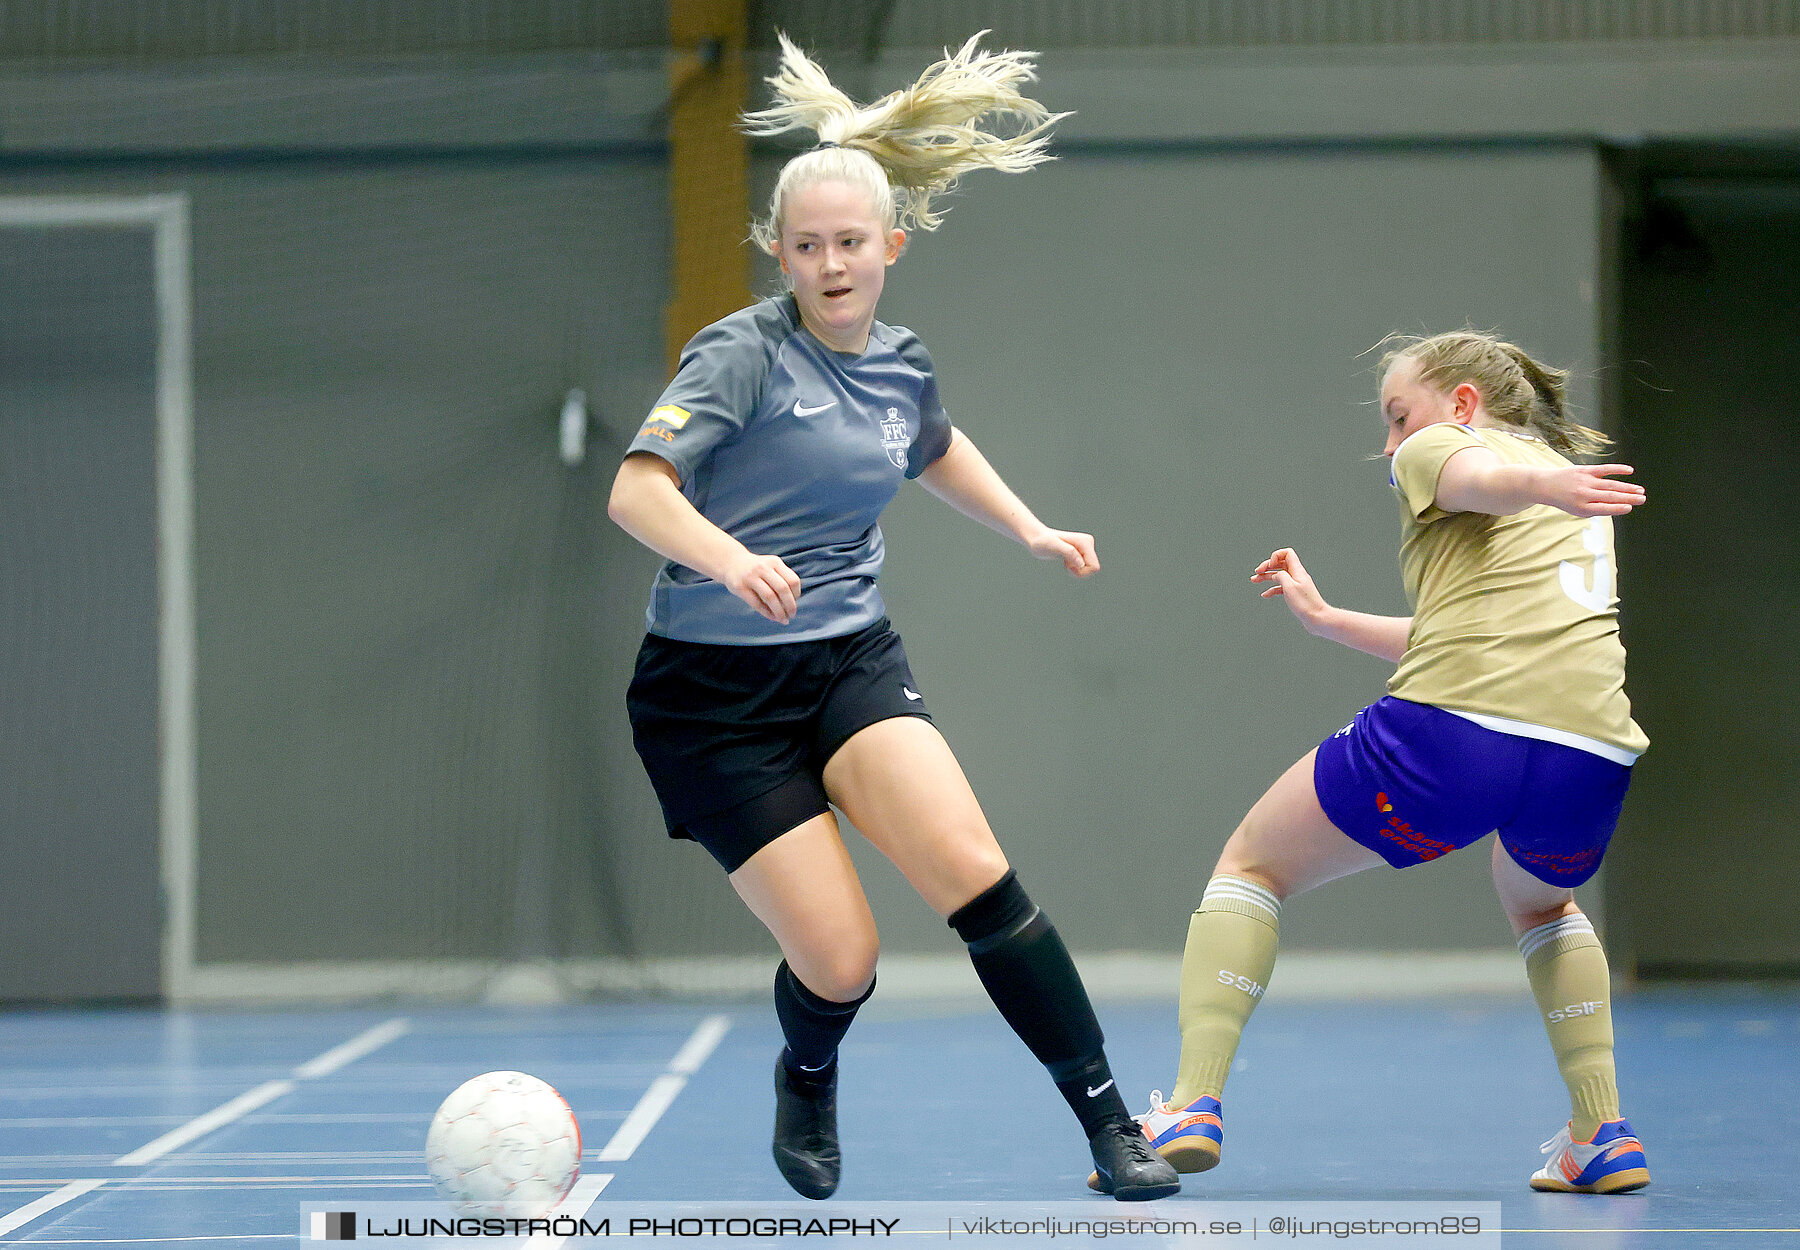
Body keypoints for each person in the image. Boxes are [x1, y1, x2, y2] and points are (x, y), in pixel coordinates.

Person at [607, 33, 1178, 1203]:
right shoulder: (740, 356)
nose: (829, 263)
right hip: (713, 697)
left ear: (890, 249)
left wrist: (1026, 525)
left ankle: (1113, 1125)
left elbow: (932, 445)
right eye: (806, 245)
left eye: (850, 243)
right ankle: (806, 1070)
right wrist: (726, 557)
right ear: (780, 251)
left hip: (849, 663)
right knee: (842, 955)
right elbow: (635, 490)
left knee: (978, 874)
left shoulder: (902, 363)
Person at [1103, 330, 1652, 1196]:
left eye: (1400, 417)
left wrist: (1533, 481)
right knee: (1544, 904)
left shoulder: (1463, 454)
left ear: (1463, 403)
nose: (1393, 446)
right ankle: (1603, 1131)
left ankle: (1191, 1105)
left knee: (1251, 863)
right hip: (1589, 755)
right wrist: (1328, 622)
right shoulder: (1568, 501)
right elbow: (1469, 634)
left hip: (1457, 736)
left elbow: (1473, 477)